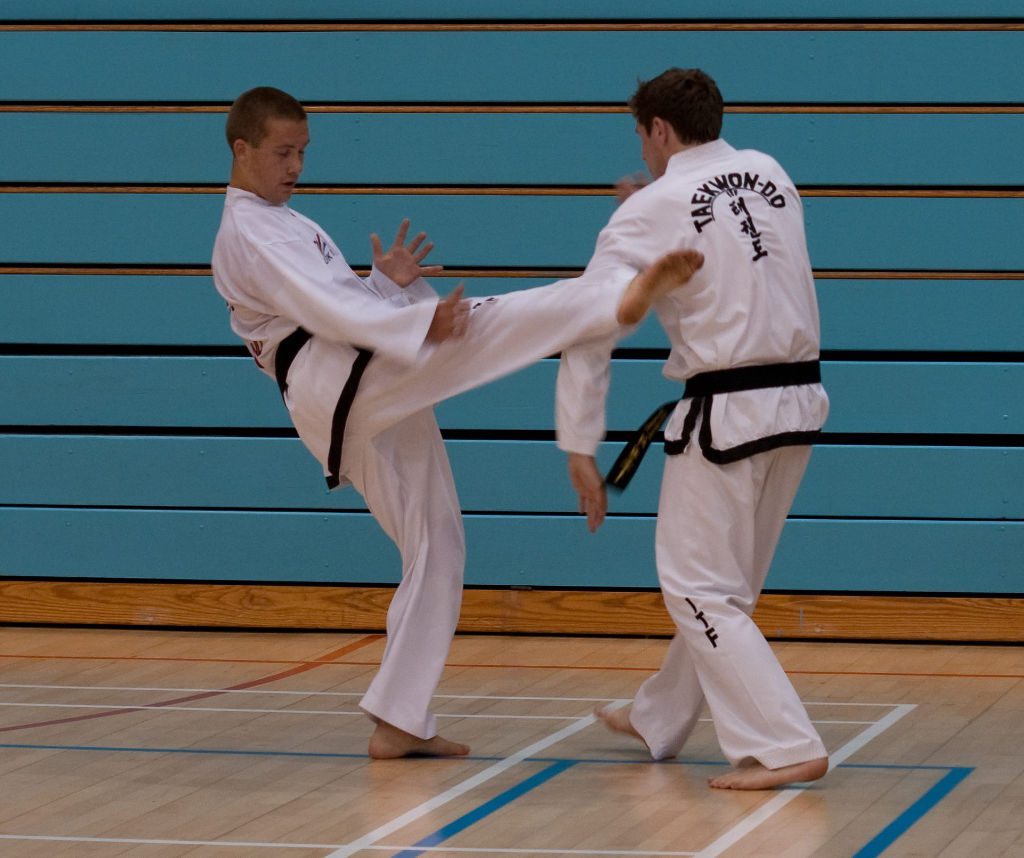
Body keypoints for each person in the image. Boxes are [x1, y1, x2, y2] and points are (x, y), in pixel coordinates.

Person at [210, 86, 702, 760]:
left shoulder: (283, 222)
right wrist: (412, 318)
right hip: (343, 377)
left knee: (437, 541)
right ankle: (612, 296)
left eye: (302, 152)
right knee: (484, 325)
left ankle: (399, 718)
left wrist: (386, 288)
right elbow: (323, 312)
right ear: (241, 149)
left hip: (353, 385)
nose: (295, 165)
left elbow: (331, 305)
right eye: (281, 152)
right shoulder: (249, 230)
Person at [556, 68, 830, 790]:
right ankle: (661, 715)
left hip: (728, 413)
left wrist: (579, 442)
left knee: (695, 588)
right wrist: (649, 210)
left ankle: (785, 744)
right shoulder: (770, 170)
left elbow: (590, 323)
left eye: (642, 137)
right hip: (798, 404)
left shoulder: (651, 207)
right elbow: (729, 234)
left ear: (659, 131)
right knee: (725, 589)